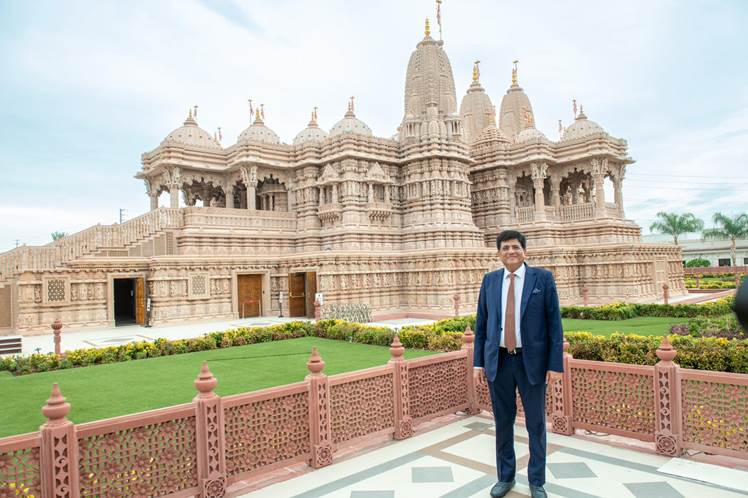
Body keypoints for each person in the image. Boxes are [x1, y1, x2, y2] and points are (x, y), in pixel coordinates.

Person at [473, 230, 563, 498]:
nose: (511, 252)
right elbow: (481, 325)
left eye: (515, 247)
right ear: (498, 253)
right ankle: (505, 477)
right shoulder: (490, 281)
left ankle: (537, 481)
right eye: (505, 248)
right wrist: (478, 363)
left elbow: (554, 325)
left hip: (530, 361)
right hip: (499, 361)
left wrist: (555, 365)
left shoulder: (542, 279)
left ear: (525, 251)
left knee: (536, 423)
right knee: (503, 422)